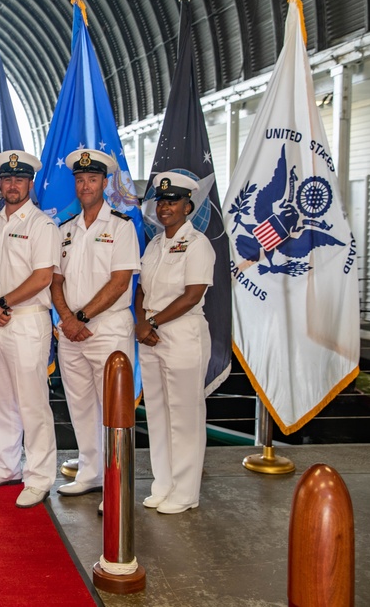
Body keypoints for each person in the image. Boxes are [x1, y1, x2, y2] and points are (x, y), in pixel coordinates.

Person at [0, 150, 59, 509]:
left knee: (32, 403)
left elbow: (43, 277)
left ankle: (39, 476)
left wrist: (1, 303)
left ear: (29, 182)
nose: (12, 184)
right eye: (6, 179)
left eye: (18, 179)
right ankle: (7, 465)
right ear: (1, 184)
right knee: (0, 398)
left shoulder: (42, 225)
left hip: (26, 322)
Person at [52, 149, 140, 499]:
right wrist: (67, 320)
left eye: (91, 179)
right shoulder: (65, 229)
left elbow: (120, 282)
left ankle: (117, 484)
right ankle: (90, 472)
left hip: (107, 330)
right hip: (71, 332)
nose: (85, 185)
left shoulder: (121, 226)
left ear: (105, 183)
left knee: (112, 408)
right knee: (80, 404)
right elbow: (55, 280)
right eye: (79, 179)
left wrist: (81, 318)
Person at [136, 172, 214, 514]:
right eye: (161, 201)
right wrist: (142, 322)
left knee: (185, 415)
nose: (165, 207)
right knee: (157, 412)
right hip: (150, 334)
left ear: (188, 206)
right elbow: (141, 290)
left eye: (173, 202)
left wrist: (151, 322)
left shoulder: (198, 244)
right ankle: (163, 484)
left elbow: (193, 294)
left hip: (182, 332)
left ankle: (186, 491)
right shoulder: (154, 244)